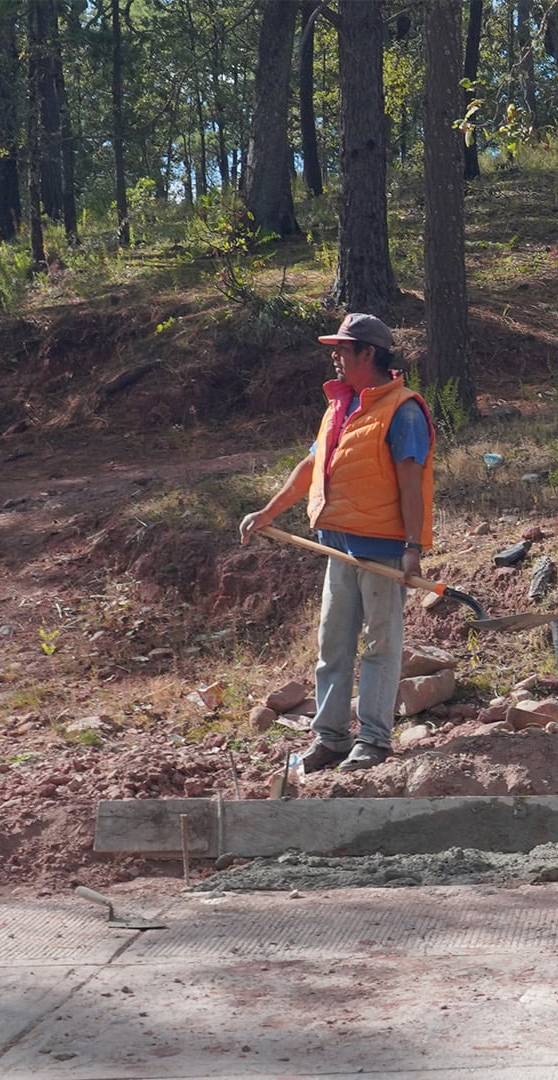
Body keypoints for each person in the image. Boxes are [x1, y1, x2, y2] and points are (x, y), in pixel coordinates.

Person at [239, 313, 435, 773]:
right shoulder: (339, 406)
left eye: (344, 350)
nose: (335, 357)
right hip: (338, 545)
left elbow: (412, 484)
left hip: (384, 548)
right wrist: (268, 512)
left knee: (381, 646)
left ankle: (373, 739)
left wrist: (413, 546)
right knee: (333, 644)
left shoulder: (403, 410)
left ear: (369, 354)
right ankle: (329, 738)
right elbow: (311, 467)